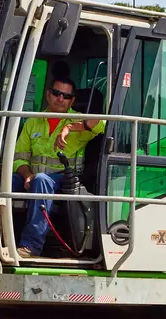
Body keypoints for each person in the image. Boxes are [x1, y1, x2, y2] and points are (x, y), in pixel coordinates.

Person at [12, 63, 104, 256]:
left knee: (41, 180)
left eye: (67, 96)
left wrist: (70, 128)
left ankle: (31, 245)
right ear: (48, 95)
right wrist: (27, 175)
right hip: (34, 177)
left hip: (64, 180)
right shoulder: (32, 120)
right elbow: (19, 157)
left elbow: (102, 123)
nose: (60, 98)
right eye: (56, 93)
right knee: (3, 182)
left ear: (72, 101)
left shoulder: (78, 119)